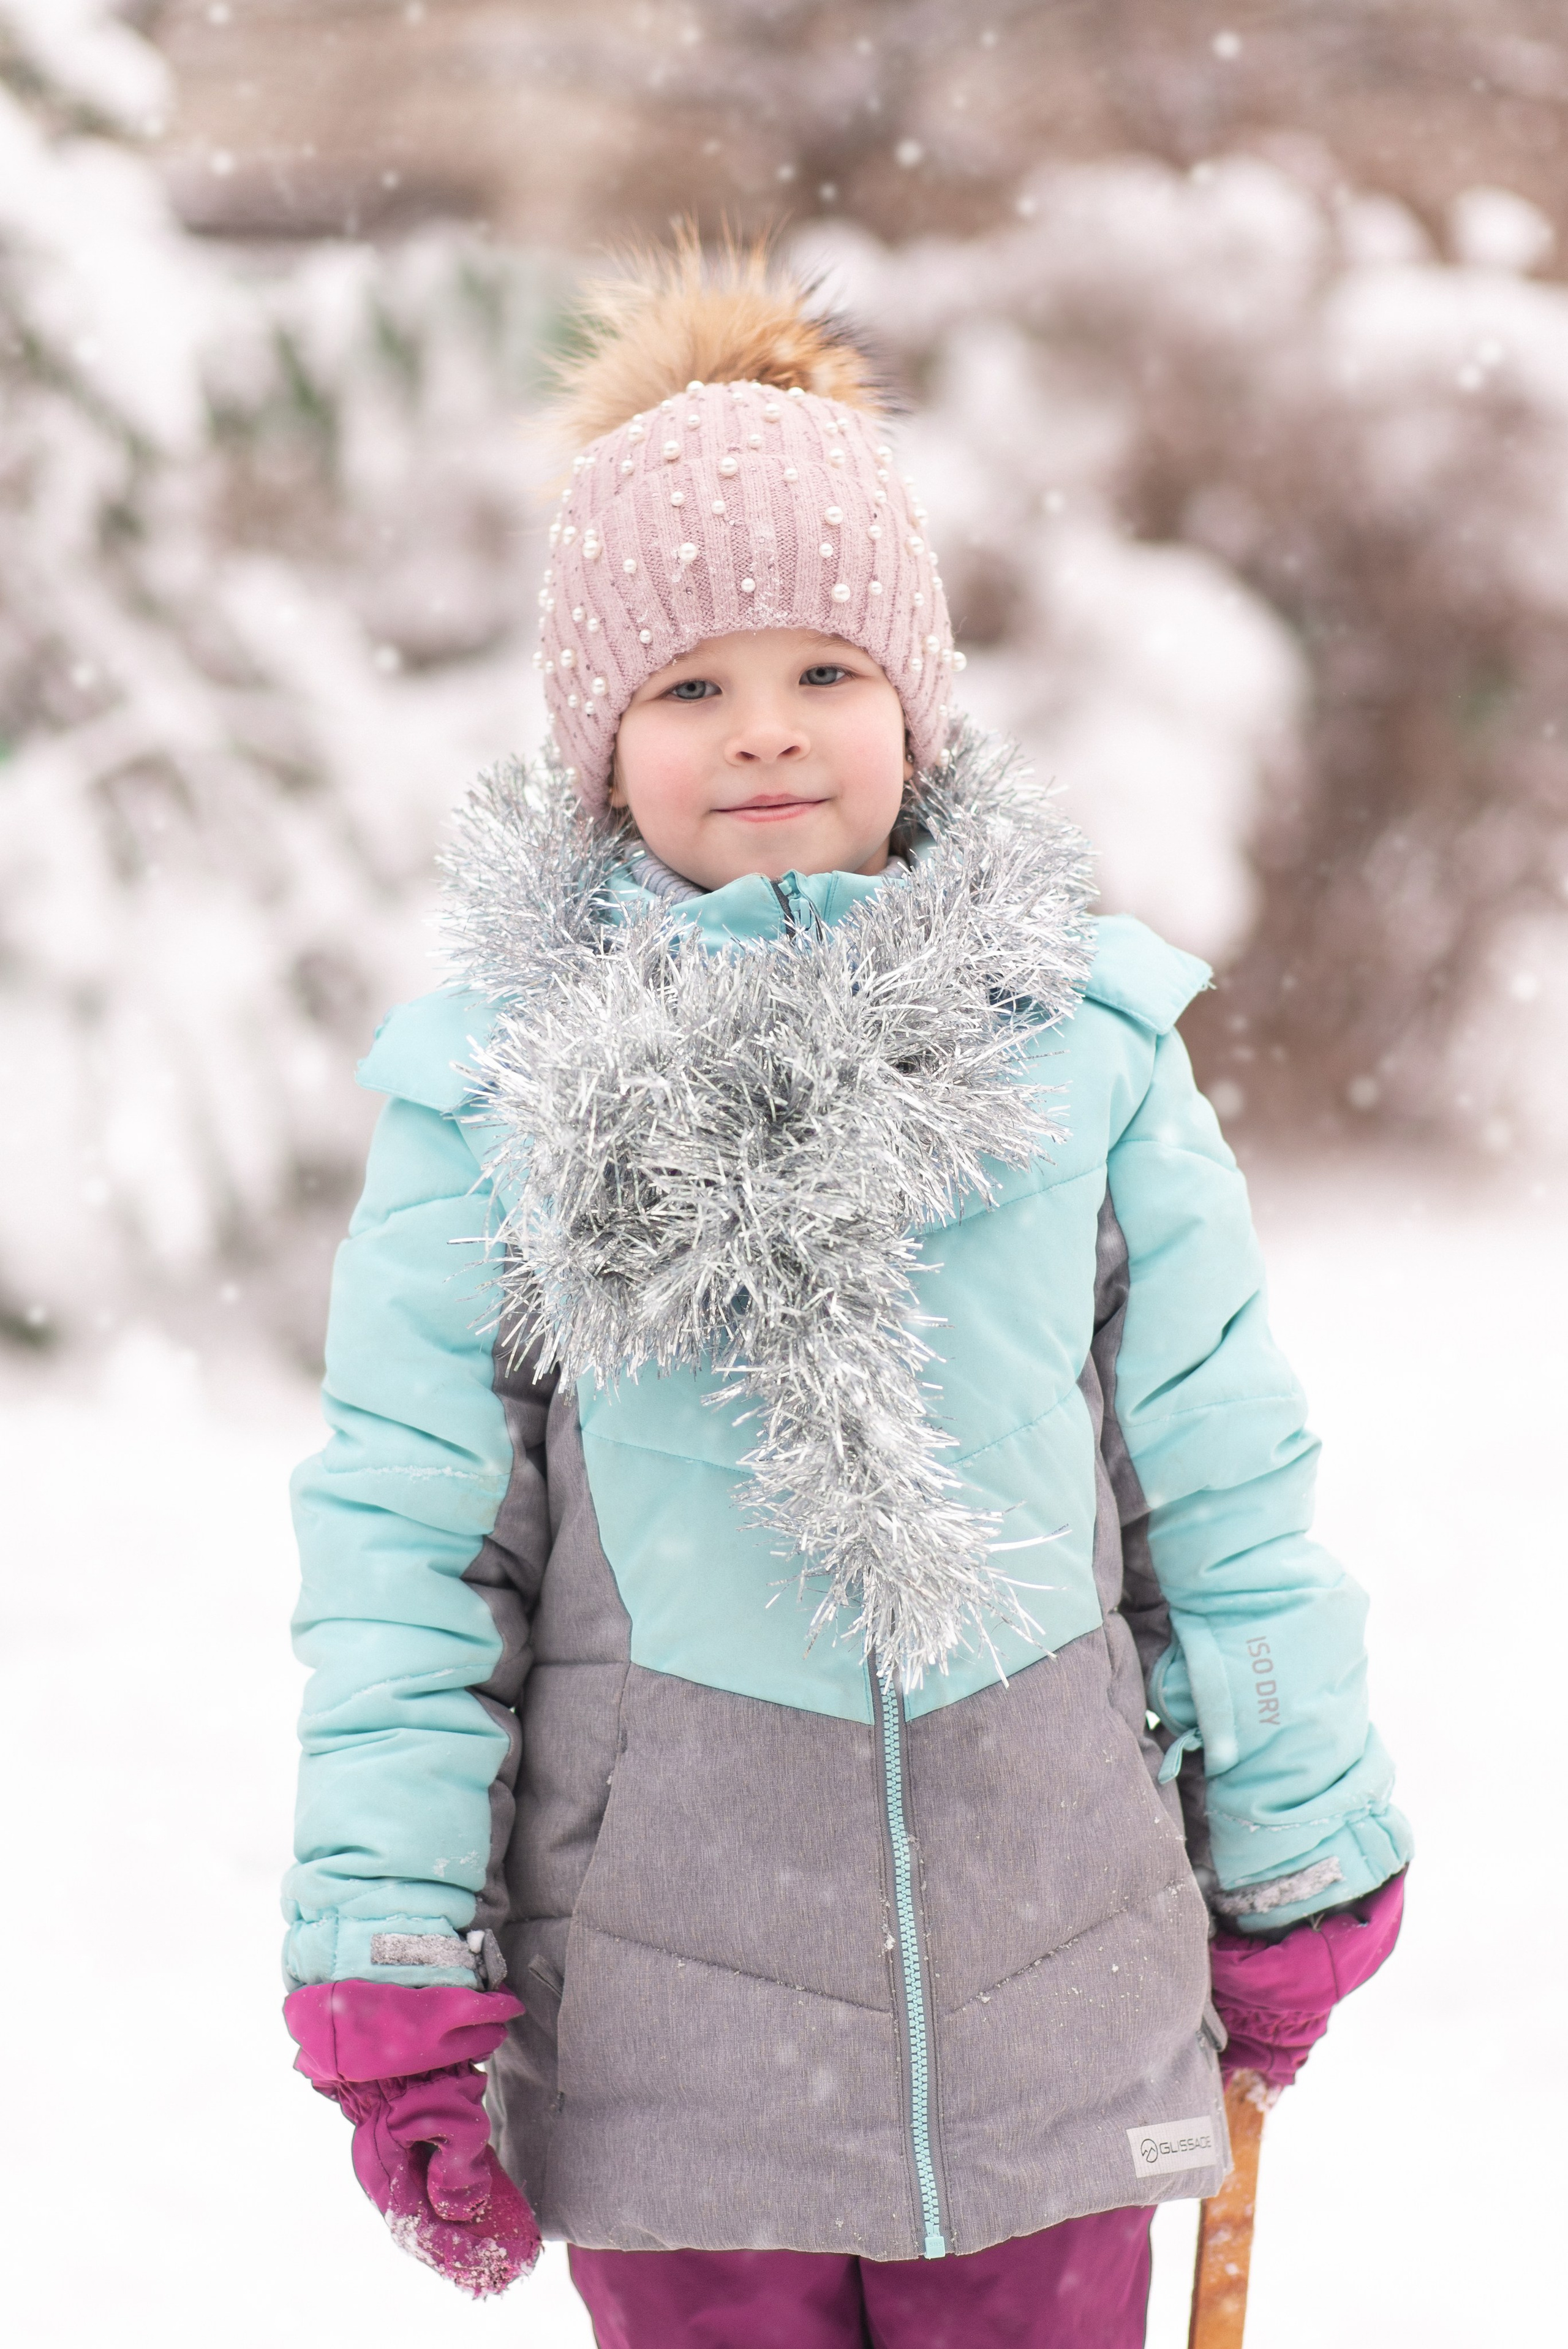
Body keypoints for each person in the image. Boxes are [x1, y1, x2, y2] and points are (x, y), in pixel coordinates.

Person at [281, 242, 1409, 2347]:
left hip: (1052, 2014)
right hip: (673, 2045)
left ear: (918, 699)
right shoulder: (498, 1106)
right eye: (689, 687)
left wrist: (1298, 1840)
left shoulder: (1082, 1060)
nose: (769, 734)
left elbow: (1224, 1490)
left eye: (825, 667)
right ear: (598, 741)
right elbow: (412, 1568)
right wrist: (392, 1959)